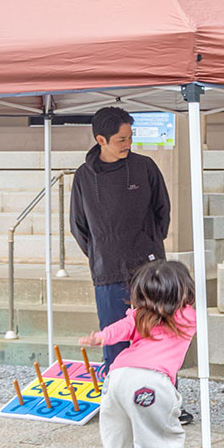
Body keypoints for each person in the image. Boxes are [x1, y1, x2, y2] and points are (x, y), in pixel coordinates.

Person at [70, 106, 194, 425]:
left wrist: (150, 244)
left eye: (130, 137)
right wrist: (101, 253)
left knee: (160, 339)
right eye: (121, 139)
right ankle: (120, 410)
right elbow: (78, 226)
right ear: (101, 139)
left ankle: (167, 408)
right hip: (108, 271)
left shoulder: (145, 167)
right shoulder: (84, 176)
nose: (128, 144)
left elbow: (161, 211)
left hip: (150, 270)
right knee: (115, 341)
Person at [79, 259, 196, 448]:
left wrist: (101, 337)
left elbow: (119, 329)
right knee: (158, 442)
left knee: (121, 442)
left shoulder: (139, 315)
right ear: (182, 292)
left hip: (118, 377)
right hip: (151, 382)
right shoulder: (187, 315)